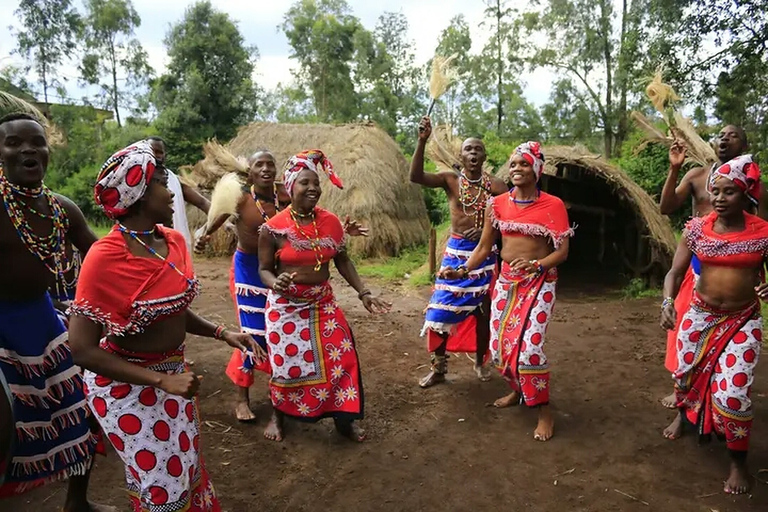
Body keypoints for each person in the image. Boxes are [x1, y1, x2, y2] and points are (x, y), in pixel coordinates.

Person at [67, 140, 265, 512]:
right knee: (162, 484)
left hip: (174, 378)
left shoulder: (172, 241)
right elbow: (82, 349)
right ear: (138, 193)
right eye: (162, 182)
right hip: (125, 387)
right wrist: (160, 380)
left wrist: (222, 333)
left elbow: (173, 309)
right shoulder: (105, 257)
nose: (172, 188)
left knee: (184, 467)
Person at [196, 150, 369, 426]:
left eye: (270, 164)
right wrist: (204, 235)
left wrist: (341, 233)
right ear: (250, 172)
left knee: (286, 340)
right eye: (259, 165)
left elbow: (315, 226)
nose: (266, 169)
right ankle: (244, 397)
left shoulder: (286, 193)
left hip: (286, 272)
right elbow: (217, 217)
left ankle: (328, 411)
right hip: (250, 272)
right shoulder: (242, 198)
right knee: (253, 333)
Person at [0, 113, 110, 510]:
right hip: (1, 326)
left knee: (82, 410)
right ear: (0, 154)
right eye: (14, 143)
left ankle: (77, 503)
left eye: (36, 142)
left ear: (47, 153)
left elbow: (99, 256)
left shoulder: (61, 209)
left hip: (44, 321)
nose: (27, 149)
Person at [441, 142, 573, 442]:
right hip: (506, 282)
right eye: (512, 164)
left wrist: (539, 265)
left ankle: (543, 412)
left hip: (540, 283)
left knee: (528, 350)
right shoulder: (497, 203)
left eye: (523, 164)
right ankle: (517, 390)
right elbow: (485, 247)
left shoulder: (553, 206)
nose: (516, 169)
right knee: (501, 348)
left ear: (536, 169)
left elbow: (563, 251)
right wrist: (462, 270)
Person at [258, 149, 390, 442]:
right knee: (285, 365)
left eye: (316, 183)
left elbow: (342, 260)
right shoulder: (273, 228)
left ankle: (345, 421)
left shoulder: (330, 221)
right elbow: (263, 270)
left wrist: (363, 293)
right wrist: (274, 282)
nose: (313, 189)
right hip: (286, 306)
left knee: (343, 359)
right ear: (291, 186)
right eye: (305, 183)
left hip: (322, 304)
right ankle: (278, 416)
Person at [660, 154, 766, 495]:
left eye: (729, 192)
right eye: (715, 191)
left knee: (733, 395)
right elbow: (674, 272)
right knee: (685, 375)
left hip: (742, 320)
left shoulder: (763, 232)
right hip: (699, 316)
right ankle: (684, 415)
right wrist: (666, 301)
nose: (719, 198)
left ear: (746, 194)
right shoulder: (695, 229)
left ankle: (737, 464)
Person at [658, 125, 768, 409]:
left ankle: (721, 401)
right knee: (684, 334)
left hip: (740, 263)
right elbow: (666, 207)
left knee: (730, 353)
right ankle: (684, 401)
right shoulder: (697, 176)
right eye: (721, 133)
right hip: (698, 262)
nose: (724, 137)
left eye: (732, 135)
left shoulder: (757, 187)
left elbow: (762, 230)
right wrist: (674, 169)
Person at [410, 117, 508, 388]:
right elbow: (415, 177)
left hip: (485, 255)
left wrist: (490, 233)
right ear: (461, 156)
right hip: (455, 253)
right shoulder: (450, 180)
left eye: (478, 149)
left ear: (485, 155)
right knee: (439, 311)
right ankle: (439, 368)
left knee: (483, 312)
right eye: (468, 149)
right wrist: (421, 141)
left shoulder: (497, 187)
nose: (473, 153)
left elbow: (510, 222)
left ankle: (480, 361)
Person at [147, 136, 211, 252]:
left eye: (159, 152)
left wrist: (213, 226)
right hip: (148, 247)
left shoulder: (175, 181)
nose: (155, 156)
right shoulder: (136, 183)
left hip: (177, 246)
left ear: (165, 156)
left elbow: (203, 203)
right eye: (151, 151)